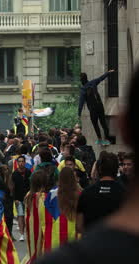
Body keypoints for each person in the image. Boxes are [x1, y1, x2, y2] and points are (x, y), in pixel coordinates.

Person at [35, 66, 139, 264]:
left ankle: (101, 136)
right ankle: (102, 135)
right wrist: (109, 73)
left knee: (96, 121)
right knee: (99, 119)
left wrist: (78, 112)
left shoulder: (88, 195)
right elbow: (99, 79)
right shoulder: (121, 191)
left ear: (124, 128)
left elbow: (81, 227)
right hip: (99, 107)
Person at [75, 151, 125, 234]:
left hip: (92, 243)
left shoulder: (86, 193)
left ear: (98, 169)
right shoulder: (126, 194)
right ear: (116, 169)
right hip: (118, 243)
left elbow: (79, 227)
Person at [78, 70, 115, 145]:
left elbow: (81, 103)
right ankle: (107, 139)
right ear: (86, 78)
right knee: (103, 123)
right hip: (100, 106)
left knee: (95, 124)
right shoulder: (93, 82)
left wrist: (79, 114)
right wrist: (108, 72)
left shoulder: (83, 90)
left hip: (93, 109)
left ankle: (100, 139)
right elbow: (101, 78)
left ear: (81, 81)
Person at [12, 155, 31, 241]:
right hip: (18, 198)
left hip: (28, 198)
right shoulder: (14, 174)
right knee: (20, 215)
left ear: (25, 162)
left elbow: (31, 186)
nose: (21, 163)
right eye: (19, 161)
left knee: (28, 216)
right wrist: (15, 198)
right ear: (17, 163)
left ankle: (28, 232)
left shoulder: (28, 172)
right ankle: (22, 234)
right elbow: (13, 187)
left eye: (22, 161)